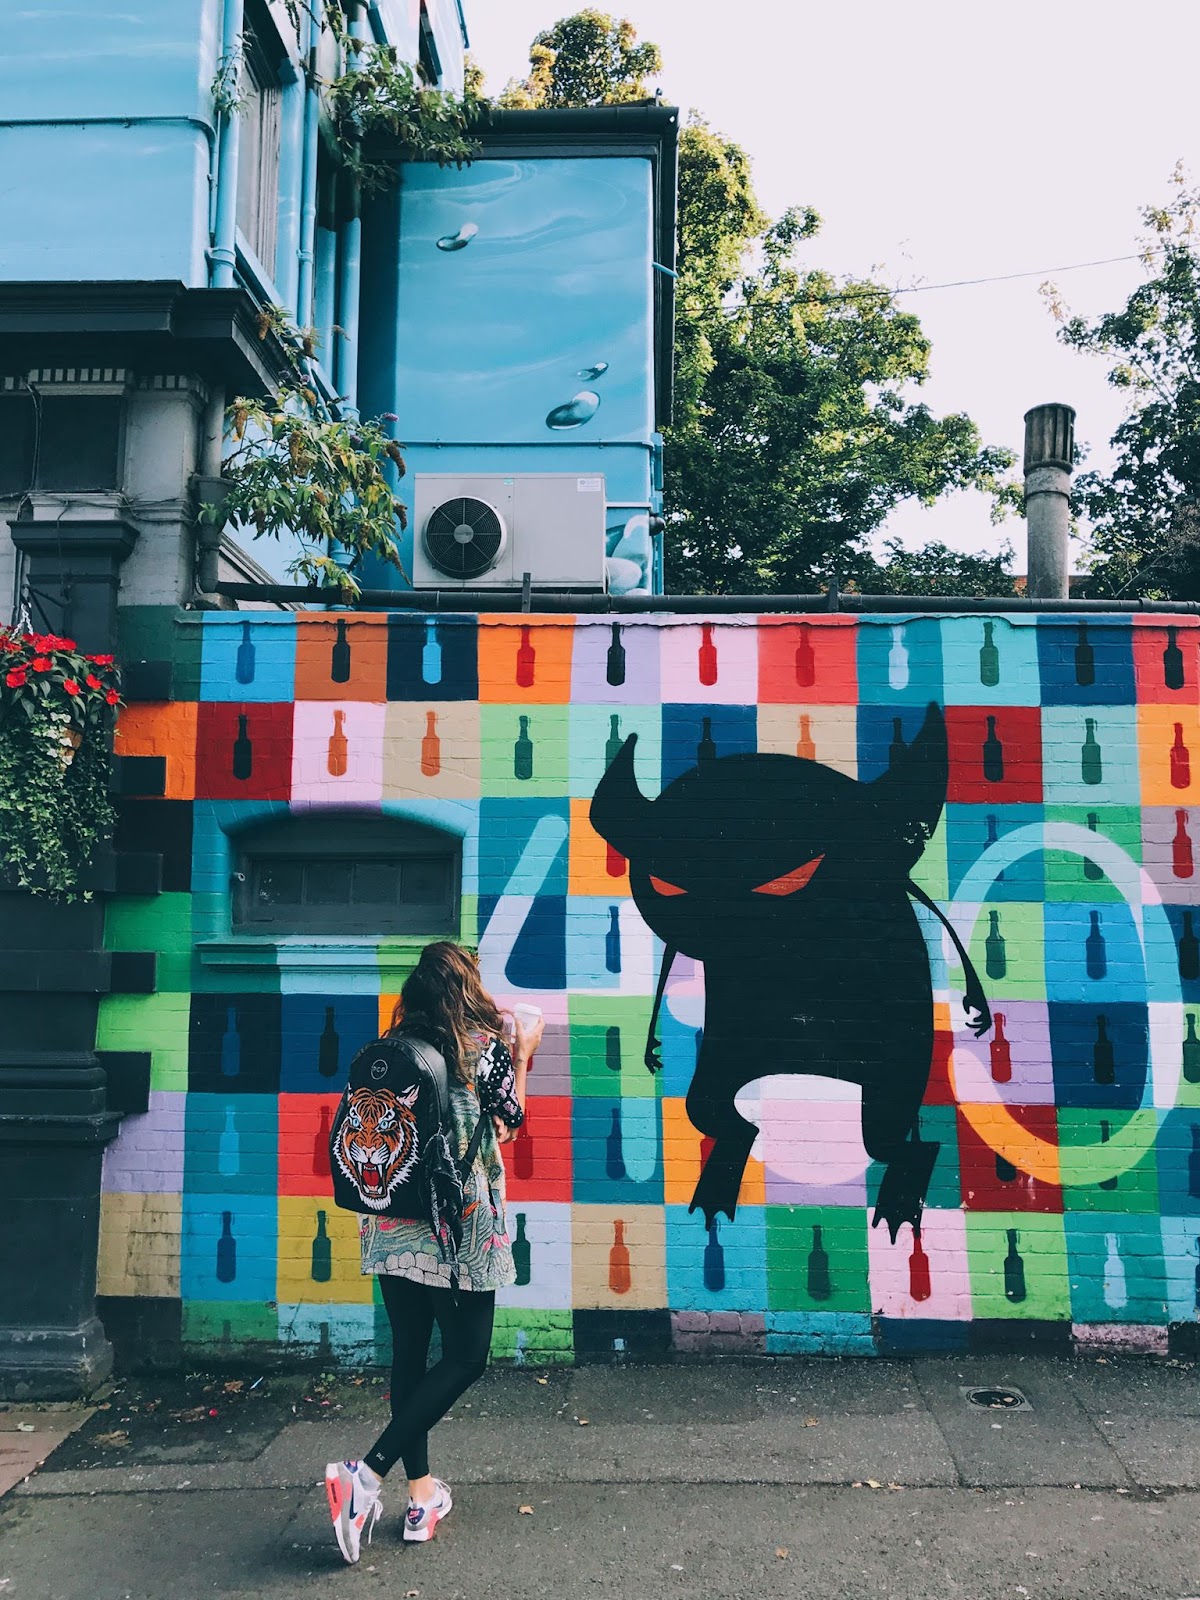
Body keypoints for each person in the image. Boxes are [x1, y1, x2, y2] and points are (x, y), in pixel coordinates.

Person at [324, 941, 543, 1563]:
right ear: (468, 989)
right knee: (467, 1356)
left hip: (391, 1220)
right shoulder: (484, 1049)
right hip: (457, 1225)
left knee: (411, 1354)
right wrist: (523, 1054)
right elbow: (509, 1123)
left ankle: (421, 1495)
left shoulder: (387, 1050)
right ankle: (366, 1474)